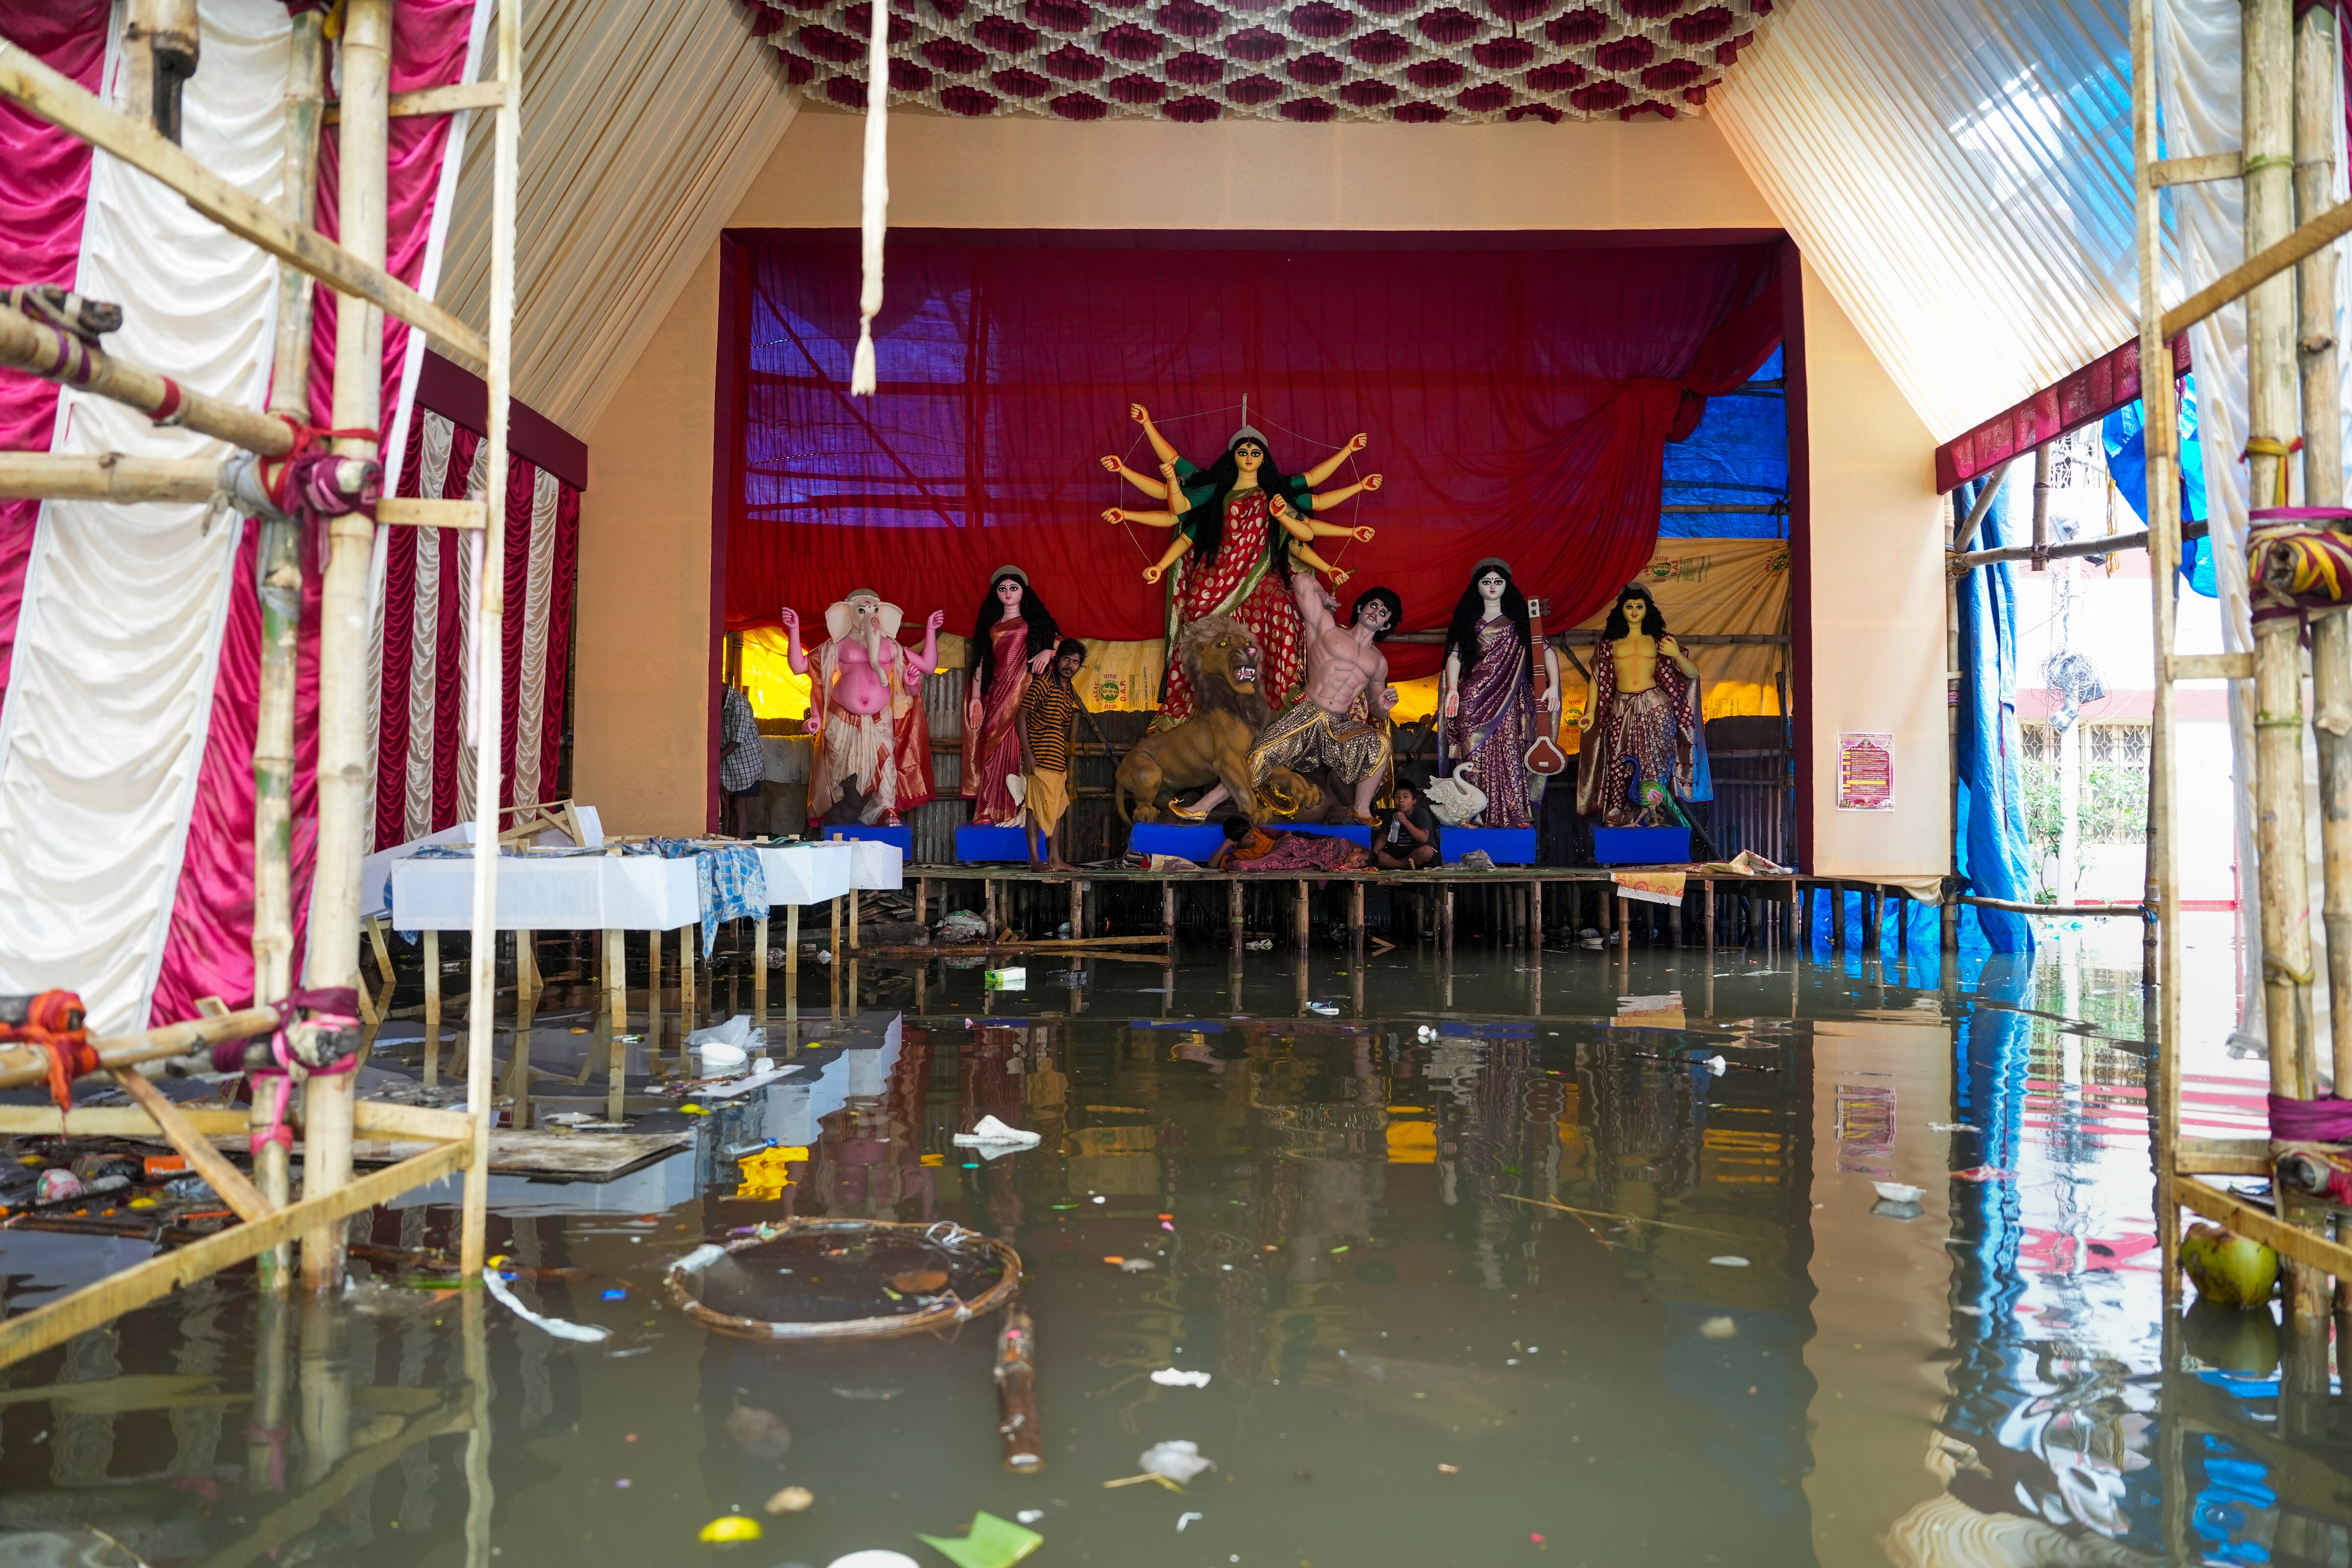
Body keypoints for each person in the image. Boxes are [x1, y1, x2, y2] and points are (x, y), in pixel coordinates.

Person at [1100, 406, 1381, 720]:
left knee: (1283, 610)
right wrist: (1146, 428)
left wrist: (1350, 460)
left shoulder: (1276, 495)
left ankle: (1284, 691)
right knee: (1196, 622)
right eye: (1243, 451)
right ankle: (1197, 698)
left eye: (1255, 452)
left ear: (1264, 458)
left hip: (1261, 576)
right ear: (1233, 456)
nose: (1249, 456)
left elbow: (1315, 500)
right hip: (1214, 575)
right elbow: (1175, 506)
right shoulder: (1216, 491)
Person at [1183, 575, 1398, 823]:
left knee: (1380, 742)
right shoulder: (1327, 627)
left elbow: (1376, 709)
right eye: (1373, 605)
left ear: (1385, 626)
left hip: (1338, 725)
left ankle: (1361, 810)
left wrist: (1383, 706)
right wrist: (1324, 597)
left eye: (1383, 613)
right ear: (1361, 607)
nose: (1376, 612)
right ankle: (1202, 807)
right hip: (1307, 713)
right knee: (1261, 754)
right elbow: (1302, 581)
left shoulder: (1378, 663)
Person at [780, 589, 942, 829]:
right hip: (841, 717)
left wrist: (930, 631)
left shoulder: (892, 647)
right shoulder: (836, 646)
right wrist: (794, 630)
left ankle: (883, 808)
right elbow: (802, 668)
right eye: (862, 610)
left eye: (875, 610)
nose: (870, 615)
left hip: (879, 719)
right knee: (842, 768)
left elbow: (927, 667)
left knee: (884, 764)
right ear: (847, 613)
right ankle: (842, 809)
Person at [1574, 581, 1711, 827]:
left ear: (1648, 610)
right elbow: (1598, 679)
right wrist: (1591, 712)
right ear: (1621, 610)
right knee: (1619, 760)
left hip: (1655, 705)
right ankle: (1618, 814)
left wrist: (1676, 654)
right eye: (1630, 606)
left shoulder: (1660, 641)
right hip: (1620, 706)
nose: (1635, 611)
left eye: (1640, 606)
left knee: (1656, 761)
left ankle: (1655, 814)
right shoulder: (1608, 644)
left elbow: (1692, 673)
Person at [1440, 558, 1560, 829]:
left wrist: (1553, 684)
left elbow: (1545, 651)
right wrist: (1453, 689)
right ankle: (1471, 814)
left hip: (1507, 700)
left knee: (1509, 753)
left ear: (1507, 586)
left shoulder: (1520, 623)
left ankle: (1514, 811)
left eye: (1498, 581)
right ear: (1477, 587)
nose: (1492, 586)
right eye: (1486, 582)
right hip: (1471, 699)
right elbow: (1455, 656)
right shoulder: (1469, 623)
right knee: (1473, 758)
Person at [964, 566, 1061, 825]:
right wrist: (976, 698)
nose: (1008, 593)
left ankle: (1019, 811)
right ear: (996, 594)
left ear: (1023, 592)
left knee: (1021, 746)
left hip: (1025, 693)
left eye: (1014, 588)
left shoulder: (1035, 625)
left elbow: (1063, 648)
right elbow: (981, 662)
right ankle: (992, 809)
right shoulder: (992, 626)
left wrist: (1048, 652)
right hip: (998, 692)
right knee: (993, 745)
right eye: (1002, 589)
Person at [1019, 638, 1089, 869]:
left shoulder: (1069, 691)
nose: (1070, 665)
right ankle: (1034, 859)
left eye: (1076, 662)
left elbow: (1063, 725)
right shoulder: (1042, 684)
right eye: (1067, 659)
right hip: (1039, 757)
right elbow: (1021, 717)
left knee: (1059, 808)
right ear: (1057, 659)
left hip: (1057, 759)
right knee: (1034, 808)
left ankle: (1055, 859)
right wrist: (1028, 754)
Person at [718, 677, 764, 836]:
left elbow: (737, 741)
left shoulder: (740, 704)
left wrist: (714, 762)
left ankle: (740, 844)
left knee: (739, 804)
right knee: (728, 806)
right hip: (730, 764)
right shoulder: (723, 702)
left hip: (746, 764)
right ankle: (729, 842)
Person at [1374, 778, 1439, 869]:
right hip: (1397, 853)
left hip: (1416, 853)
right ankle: (1404, 865)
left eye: (1405, 797)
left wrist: (1405, 822)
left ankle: (1397, 864)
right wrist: (1375, 852)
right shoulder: (1390, 815)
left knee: (1427, 851)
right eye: (1397, 797)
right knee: (1379, 855)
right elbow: (1383, 838)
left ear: (1414, 801)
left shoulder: (1421, 815)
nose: (1401, 800)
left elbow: (1424, 838)